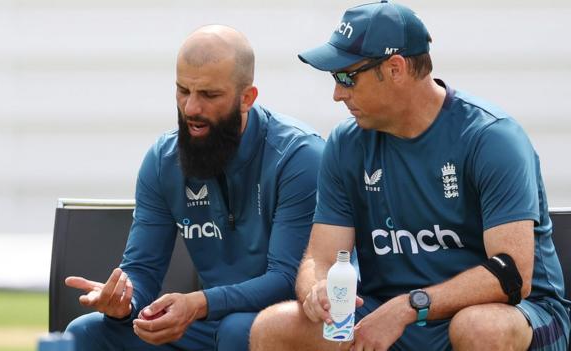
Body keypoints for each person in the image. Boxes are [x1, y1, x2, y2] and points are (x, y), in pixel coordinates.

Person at [249, 1, 570, 350]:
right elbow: (319, 257)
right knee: (273, 327)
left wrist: (409, 306)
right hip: (389, 315)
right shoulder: (345, 143)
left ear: (395, 69)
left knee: (479, 328)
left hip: (510, 314)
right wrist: (318, 288)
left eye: (346, 77)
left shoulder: (491, 137)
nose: (337, 93)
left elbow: (511, 273)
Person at [64, 25, 325, 351]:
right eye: (183, 91)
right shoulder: (163, 160)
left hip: (280, 322)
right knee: (85, 333)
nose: (190, 109)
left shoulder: (299, 156)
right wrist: (124, 301)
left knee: (236, 329)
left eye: (209, 95)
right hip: (207, 322)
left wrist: (199, 303)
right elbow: (142, 269)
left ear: (247, 98)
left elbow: (286, 280)